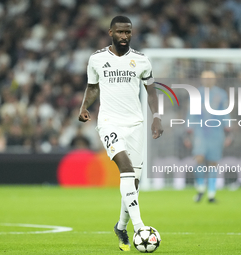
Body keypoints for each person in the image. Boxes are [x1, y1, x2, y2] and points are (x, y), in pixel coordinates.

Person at [78, 16, 163, 251]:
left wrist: (156, 117)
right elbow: (93, 87)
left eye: (128, 32)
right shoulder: (96, 59)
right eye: (120, 32)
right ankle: (140, 228)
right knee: (125, 169)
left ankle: (121, 226)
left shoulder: (141, 61)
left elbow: (152, 92)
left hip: (135, 124)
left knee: (133, 183)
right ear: (110, 33)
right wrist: (84, 107)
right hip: (109, 123)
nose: (124, 36)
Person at [184, 70, 231, 203]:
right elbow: (191, 112)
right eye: (206, 78)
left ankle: (211, 194)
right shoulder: (196, 94)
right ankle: (200, 188)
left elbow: (225, 112)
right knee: (199, 158)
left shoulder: (221, 94)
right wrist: (188, 130)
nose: (208, 80)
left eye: (211, 78)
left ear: (215, 80)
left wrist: (228, 129)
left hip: (216, 132)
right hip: (200, 131)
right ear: (202, 79)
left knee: (213, 164)